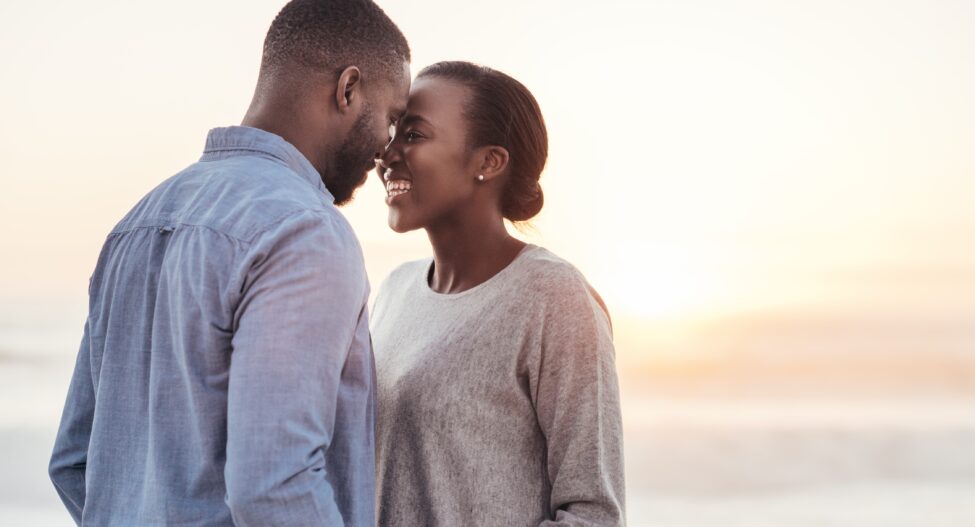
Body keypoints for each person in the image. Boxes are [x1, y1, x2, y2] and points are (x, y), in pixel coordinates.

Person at [48, 1, 410, 525]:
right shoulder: (305, 230)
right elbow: (273, 486)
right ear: (348, 89)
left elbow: (75, 462)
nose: (387, 147)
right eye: (392, 118)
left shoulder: (137, 222)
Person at [371, 61, 626, 526]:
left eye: (413, 135)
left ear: (488, 162)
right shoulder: (393, 291)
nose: (386, 154)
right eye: (392, 133)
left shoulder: (553, 297)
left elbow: (594, 514)